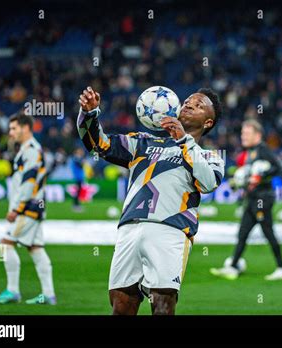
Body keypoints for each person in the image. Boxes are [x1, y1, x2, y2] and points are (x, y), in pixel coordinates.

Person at [77, 86, 224, 315]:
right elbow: (98, 144)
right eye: (187, 100)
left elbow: (208, 182)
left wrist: (184, 140)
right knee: (121, 306)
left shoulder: (209, 156)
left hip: (170, 230)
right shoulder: (142, 143)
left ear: (207, 123)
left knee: (163, 306)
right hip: (129, 228)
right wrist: (89, 114)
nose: (189, 104)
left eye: (199, 105)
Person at [210, 120, 282, 280]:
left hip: (263, 198)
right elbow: (252, 176)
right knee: (243, 233)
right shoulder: (250, 152)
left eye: (247, 133)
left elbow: (279, 169)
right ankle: (232, 266)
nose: (243, 136)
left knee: (268, 232)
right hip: (253, 198)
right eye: (242, 133)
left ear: (258, 135)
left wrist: (261, 175)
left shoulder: (263, 150)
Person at [0, 113, 56, 305]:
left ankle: (12, 291)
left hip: (28, 207)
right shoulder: (28, 150)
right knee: (35, 248)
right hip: (35, 207)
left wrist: (16, 208)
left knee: (6, 243)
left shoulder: (31, 151)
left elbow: (29, 183)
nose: (10, 132)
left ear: (25, 128)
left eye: (13, 128)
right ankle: (48, 295)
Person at [71, 147, 86, 212]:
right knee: (78, 192)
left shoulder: (78, 158)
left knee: (79, 191)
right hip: (78, 177)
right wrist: (83, 161)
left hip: (80, 177)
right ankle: (75, 205)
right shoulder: (76, 158)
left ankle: (77, 204)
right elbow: (80, 165)